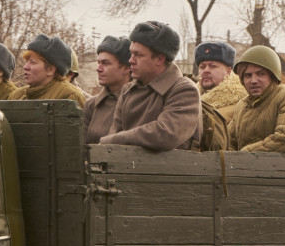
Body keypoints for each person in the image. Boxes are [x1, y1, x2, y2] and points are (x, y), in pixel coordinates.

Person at [98, 21, 201, 151]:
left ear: (160, 59)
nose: (131, 60)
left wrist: (111, 140)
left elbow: (166, 134)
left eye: (138, 55)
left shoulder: (184, 90)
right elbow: (114, 135)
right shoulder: (127, 90)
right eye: (131, 53)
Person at [228, 45, 285, 154]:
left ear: (272, 76)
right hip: (244, 169)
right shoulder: (242, 106)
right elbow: (228, 142)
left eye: (260, 74)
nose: (253, 80)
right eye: (248, 75)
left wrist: (245, 154)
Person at [7, 34, 87, 103]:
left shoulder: (70, 96)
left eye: (33, 62)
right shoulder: (16, 96)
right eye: (27, 61)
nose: (25, 67)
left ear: (50, 70)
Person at [84, 36, 132, 144]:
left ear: (126, 68)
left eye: (105, 63)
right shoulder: (92, 105)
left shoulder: (140, 101)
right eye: (99, 63)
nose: (98, 68)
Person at [196, 42, 247, 124]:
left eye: (213, 66)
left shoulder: (240, 106)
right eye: (202, 67)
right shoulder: (189, 98)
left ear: (228, 71)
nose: (206, 70)